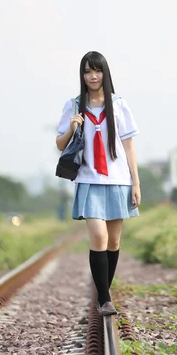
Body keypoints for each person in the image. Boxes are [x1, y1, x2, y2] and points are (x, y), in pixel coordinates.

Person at [56, 51, 140, 316]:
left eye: (97, 71)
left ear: (105, 73)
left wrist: (136, 183)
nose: (92, 76)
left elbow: (129, 146)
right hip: (89, 180)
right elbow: (59, 144)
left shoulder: (118, 105)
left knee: (113, 241)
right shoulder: (73, 104)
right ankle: (104, 299)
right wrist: (71, 127)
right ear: (82, 75)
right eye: (87, 72)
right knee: (99, 237)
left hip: (117, 181)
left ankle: (104, 293)